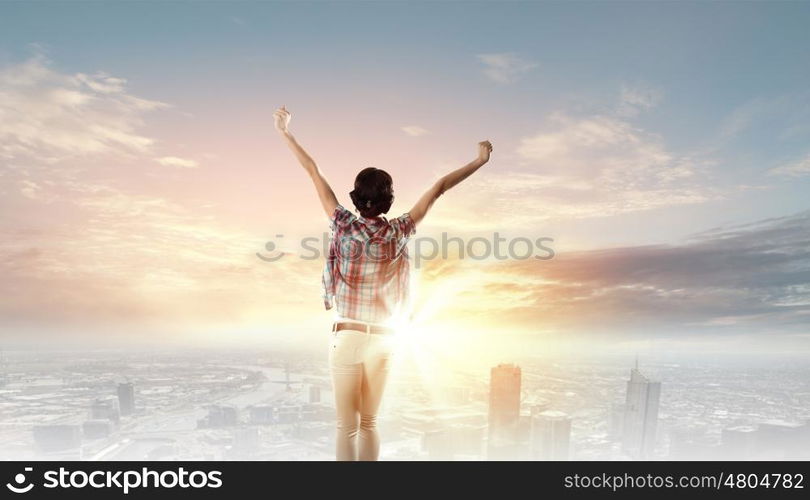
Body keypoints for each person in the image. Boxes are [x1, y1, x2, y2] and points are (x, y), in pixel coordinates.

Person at [273, 105, 492, 460]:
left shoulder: (342, 224)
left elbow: (313, 171)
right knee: (370, 423)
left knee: (347, 427)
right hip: (385, 340)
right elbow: (438, 188)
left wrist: (286, 132)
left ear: (356, 199)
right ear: (389, 199)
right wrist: (478, 161)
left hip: (347, 336)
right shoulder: (399, 231)